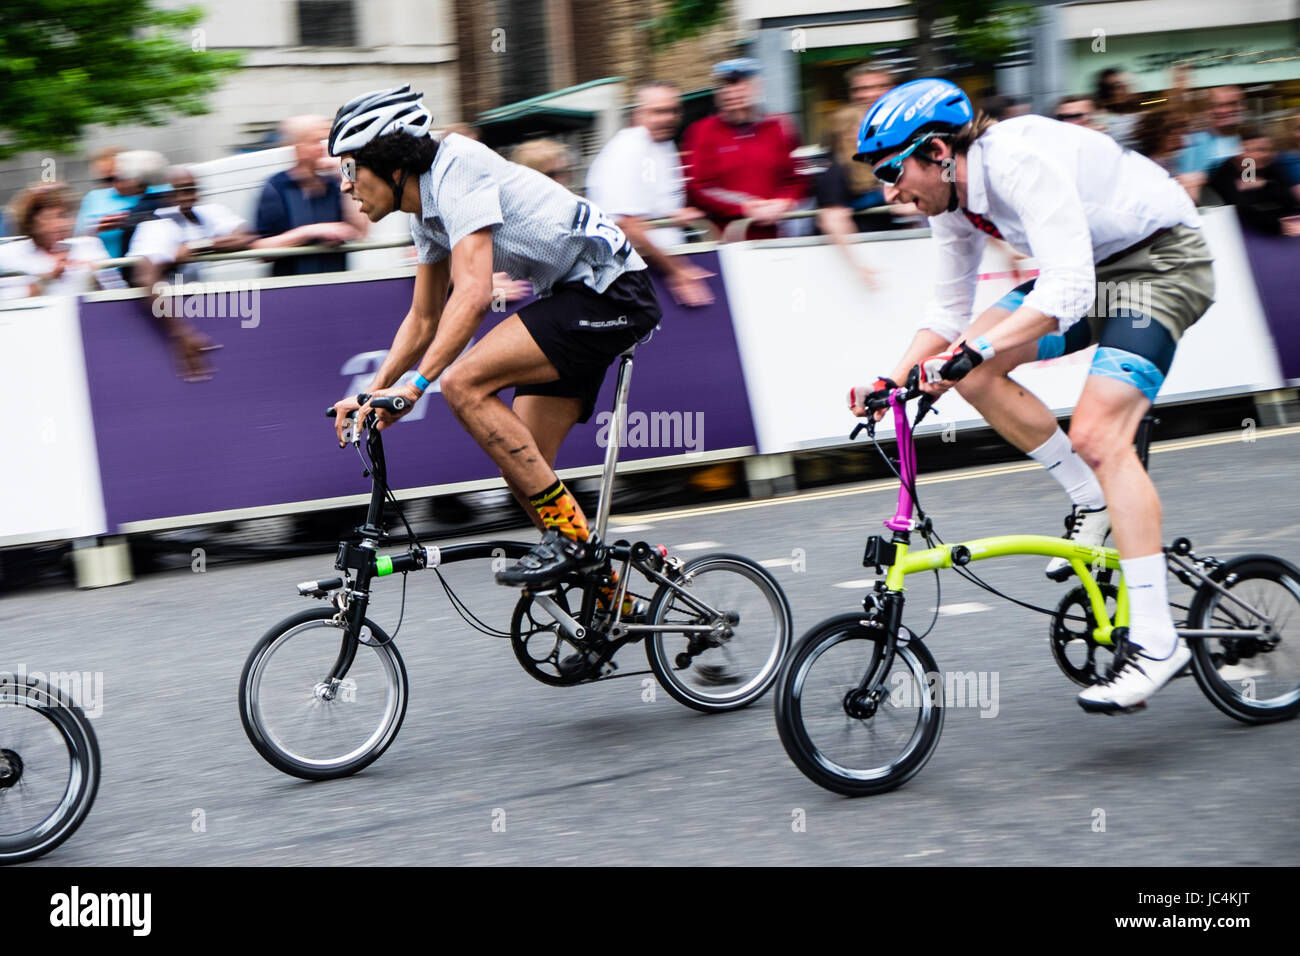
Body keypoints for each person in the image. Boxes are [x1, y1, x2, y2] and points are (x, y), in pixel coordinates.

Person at [850, 78, 1214, 713]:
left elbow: (1066, 294)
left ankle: (1158, 643)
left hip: (1159, 263)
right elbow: (947, 309)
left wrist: (974, 349)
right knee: (965, 367)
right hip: (1094, 272)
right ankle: (1089, 499)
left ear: (937, 151)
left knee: (1099, 435)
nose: (889, 193)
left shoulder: (1017, 162)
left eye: (891, 171)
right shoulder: (953, 199)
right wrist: (894, 377)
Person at [326, 85, 662, 604]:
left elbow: (475, 294)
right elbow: (423, 317)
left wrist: (415, 388)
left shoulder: (457, 167)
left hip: (610, 288)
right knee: (524, 471)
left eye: (350, 169)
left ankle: (572, 546)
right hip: (572, 294)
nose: (346, 186)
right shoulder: (425, 209)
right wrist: (375, 392)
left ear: (390, 164)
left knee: (462, 382)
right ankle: (613, 602)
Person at [586, 81, 713, 307]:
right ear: (638, 112)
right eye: (658, 111)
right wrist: (678, 271)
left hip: (658, 273)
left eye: (673, 110)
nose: (668, 117)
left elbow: (651, 207)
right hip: (638, 279)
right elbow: (627, 225)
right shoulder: (627, 149)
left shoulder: (663, 144)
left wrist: (675, 215)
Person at [681, 57, 807, 240]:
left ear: (757, 86)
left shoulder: (780, 126)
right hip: (728, 240)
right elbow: (700, 187)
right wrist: (748, 207)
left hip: (780, 237)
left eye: (740, 83)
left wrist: (783, 202)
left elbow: (796, 178)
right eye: (724, 85)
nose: (731, 91)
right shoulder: (701, 131)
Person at [252, 115, 367, 277]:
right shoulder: (275, 187)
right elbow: (260, 250)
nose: (325, 148)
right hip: (291, 290)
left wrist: (346, 172)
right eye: (317, 141)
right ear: (299, 148)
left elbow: (361, 231)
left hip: (334, 285)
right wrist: (312, 232)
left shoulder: (335, 184)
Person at [0, 183, 123, 299]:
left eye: (63, 215)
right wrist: (45, 280)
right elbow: (9, 303)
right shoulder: (10, 253)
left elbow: (118, 292)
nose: (61, 224)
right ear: (30, 223)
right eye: (49, 218)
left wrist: (96, 276)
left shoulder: (89, 246)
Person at [1206, 128, 1300, 237]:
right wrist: (1279, 226)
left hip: (1269, 230)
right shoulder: (1225, 172)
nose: (1263, 155)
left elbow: (1288, 199)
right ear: (1242, 152)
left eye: (1265, 150)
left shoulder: (1268, 165)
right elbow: (1242, 209)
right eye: (1257, 150)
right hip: (1233, 233)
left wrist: (1264, 184)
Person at [1179, 85, 1244, 183]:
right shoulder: (1192, 144)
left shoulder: (1247, 139)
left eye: (1232, 103)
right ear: (1207, 110)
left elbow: (1250, 180)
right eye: (1218, 105)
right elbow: (1189, 185)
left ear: (1241, 106)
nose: (1225, 110)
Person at [1094, 68, 1142, 150]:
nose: (1126, 89)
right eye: (1117, 86)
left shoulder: (1139, 117)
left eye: (1126, 85)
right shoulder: (1100, 121)